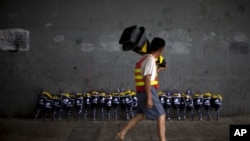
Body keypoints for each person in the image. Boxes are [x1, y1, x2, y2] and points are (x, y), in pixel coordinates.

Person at [116, 37, 167, 141]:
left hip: (141, 92)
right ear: (161, 49)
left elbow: (148, 75)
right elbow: (147, 79)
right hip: (147, 92)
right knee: (161, 115)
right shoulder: (150, 60)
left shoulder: (145, 58)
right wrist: (149, 98)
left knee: (141, 115)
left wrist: (158, 70)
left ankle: (121, 133)